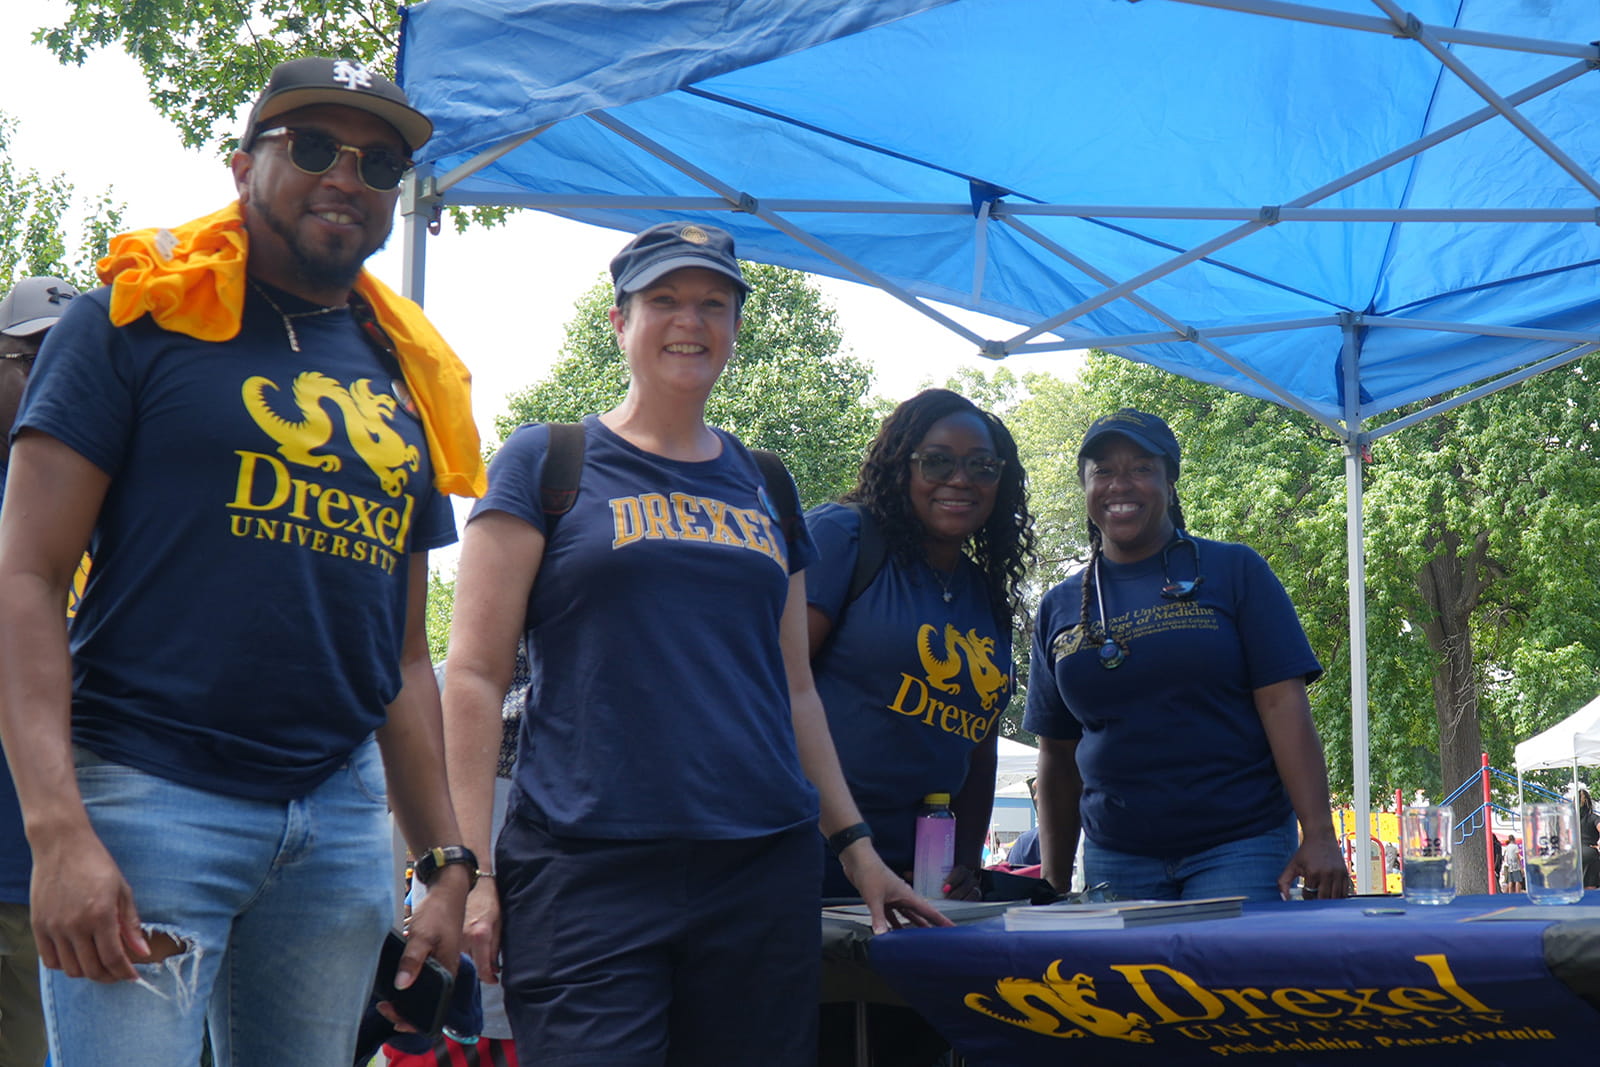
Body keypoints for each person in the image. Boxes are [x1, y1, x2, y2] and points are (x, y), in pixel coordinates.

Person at [0, 57, 484, 1066]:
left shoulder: (405, 375)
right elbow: (27, 578)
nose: (347, 175)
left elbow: (399, 655)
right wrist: (57, 830)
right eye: (313, 146)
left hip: (339, 821)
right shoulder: (131, 318)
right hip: (147, 797)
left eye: (380, 161)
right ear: (240, 165)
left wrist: (444, 862)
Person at [442, 221, 944, 1066]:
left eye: (714, 303)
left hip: (758, 871)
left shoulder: (767, 482)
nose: (692, 320)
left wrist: (858, 852)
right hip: (585, 868)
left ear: (737, 328)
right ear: (619, 322)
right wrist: (471, 869)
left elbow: (794, 692)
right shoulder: (547, 462)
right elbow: (473, 677)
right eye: (665, 300)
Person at [1024, 409, 1350, 902]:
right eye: (1103, 471)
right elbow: (1057, 755)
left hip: (1241, 845)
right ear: (1085, 486)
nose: (1121, 484)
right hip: (1117, 856)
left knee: (1230, 980)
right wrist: (1052, 880)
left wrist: (1320, 834)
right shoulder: (1059, 606)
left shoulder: (1234, 571)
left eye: (1140, 468)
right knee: (1130, 983)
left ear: (1170, 481)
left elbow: (1284, 707)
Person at [805, 388, 1034, 1066]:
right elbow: (775, 686)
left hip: (920, 880)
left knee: (910, 1045)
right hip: (811, 862)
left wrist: (963, 861)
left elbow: (979, 745)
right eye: (937, 461)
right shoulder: (844, 537)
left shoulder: (984, 592)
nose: (960, 479)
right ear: (900, 467)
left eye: (982, 466)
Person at [0, 275, 80, 1067]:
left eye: (68, 359)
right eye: (29, 358)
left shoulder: (107, 506)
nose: (50, 378)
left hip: (43, 876)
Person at [1578, 787, 1599, 889]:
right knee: (1590, 886)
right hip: (1589, 852)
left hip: (1573, 854)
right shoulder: (1593, 818)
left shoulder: (1571, 819)